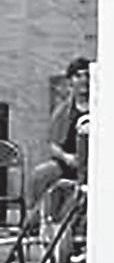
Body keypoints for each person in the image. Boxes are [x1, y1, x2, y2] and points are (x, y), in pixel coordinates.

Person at [27, 56, 91, 233]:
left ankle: (65, 229)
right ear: (71, 81)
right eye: (78, 76)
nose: (83, 80)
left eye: (87, 75)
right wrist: (67, 157)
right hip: (67, 163)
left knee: (71, 201)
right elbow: (52, 145)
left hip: (90, 166)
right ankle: (34, 224)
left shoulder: (100, 108)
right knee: (41, 175)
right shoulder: (63, 110)